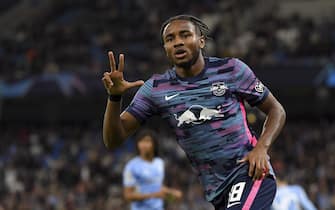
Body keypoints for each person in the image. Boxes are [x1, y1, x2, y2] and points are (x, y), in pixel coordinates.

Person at [102, 14, 286, 210]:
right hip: (217, 191)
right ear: (165, 48)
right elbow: (113, 140)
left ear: (201, 41)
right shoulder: (156, 89)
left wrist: (261, 148)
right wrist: (114, 98)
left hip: (250, 173)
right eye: (170, 39)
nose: (178, 42)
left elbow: (276, 110)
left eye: (185, 35)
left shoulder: (231, 70)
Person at [123, 129, 182, 210]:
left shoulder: (159, 163)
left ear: (154, 144)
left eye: (147, 141)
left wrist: (171, 194)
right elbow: (128, 196)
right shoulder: (131, 166)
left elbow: (157, 187)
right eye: (141, 141)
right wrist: (153, 195)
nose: (144, 145)